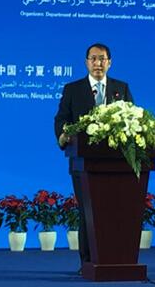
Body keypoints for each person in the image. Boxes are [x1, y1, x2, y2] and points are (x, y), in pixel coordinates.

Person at [54, 43, 133, 272]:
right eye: (93, 59)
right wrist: (63, 135)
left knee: (114, 210)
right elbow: (61, 119)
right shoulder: (73, 89)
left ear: (110, 62)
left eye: (102, 59)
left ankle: (115, 259)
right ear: (86, 62)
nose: (98, 63)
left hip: (116, 165)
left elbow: (132, 118)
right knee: (88, 212)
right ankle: (88, 261)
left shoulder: (121, 88)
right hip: (83, 163)